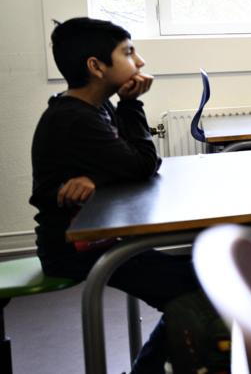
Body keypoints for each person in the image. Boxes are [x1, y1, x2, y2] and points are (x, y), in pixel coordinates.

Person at [29, 18, 210, 373]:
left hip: (99, 237)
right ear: (96, 67)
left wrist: (97, 176)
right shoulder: (75, 119)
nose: (139, 62)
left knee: (201, 276)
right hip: (75, 249)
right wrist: (132, 105)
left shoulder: (93, 108)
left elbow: (124, 163)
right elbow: (143, 163)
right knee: (200, 287)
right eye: (128, 52)